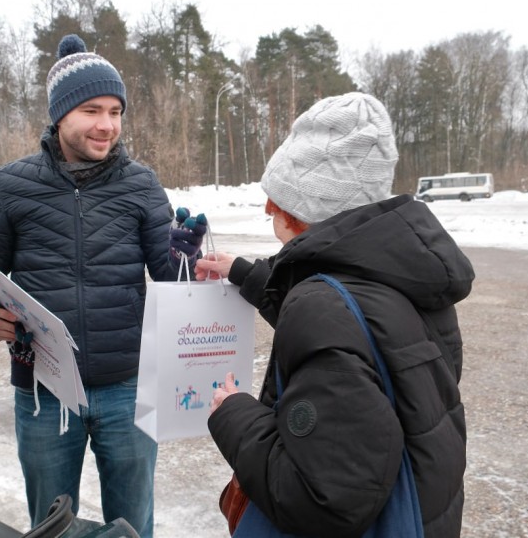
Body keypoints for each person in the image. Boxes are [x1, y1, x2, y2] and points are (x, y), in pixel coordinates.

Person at [0, 34, 203, 537]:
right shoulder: (11, 186)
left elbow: (171, 279)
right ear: (60, 114)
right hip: (45, 394)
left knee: (133, 524)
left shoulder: (141, 184)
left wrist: (186, 254)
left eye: (115, 111)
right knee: (51, 527)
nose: (107, 125)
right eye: (92, 110)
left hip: (129, 389)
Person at [196, 92, 473, 537]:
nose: (268, 208)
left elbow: (321, 500)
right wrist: (246, 274)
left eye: (279, 198)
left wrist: (233, 413)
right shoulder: (406, 276)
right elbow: (355, 331)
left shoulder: (323, 306)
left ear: (307, 207)